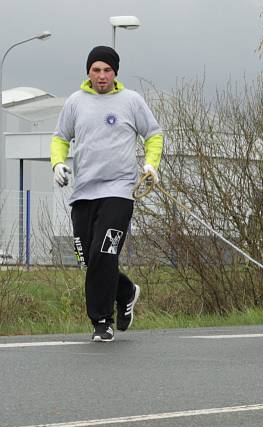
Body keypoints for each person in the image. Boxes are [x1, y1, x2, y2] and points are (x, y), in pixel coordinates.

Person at [50, 46, 163, 342]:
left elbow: (153, 134)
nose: (102, 76)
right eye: (96, 70)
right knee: (88, 259)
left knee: (104, 252)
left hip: (120, 192)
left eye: (107, 70)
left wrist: (151, 165)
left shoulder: (131, 101)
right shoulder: (75, 102)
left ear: (115, 73)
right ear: (88, 72)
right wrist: (58, 163)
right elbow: (60, 137)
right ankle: (125, 291)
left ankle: (102, 321)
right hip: (83, 193)